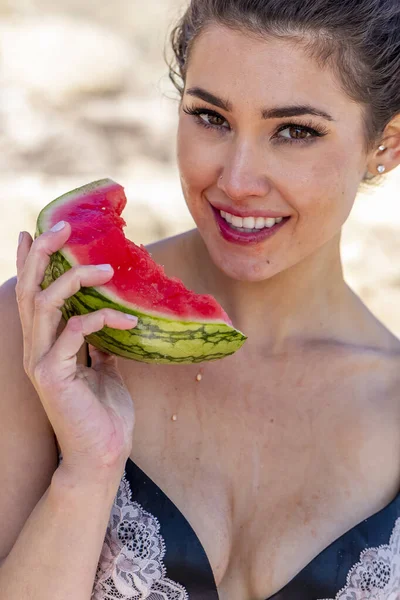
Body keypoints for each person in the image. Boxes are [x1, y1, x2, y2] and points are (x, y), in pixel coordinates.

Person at [0, 0, 400, 598]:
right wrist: (88, 473)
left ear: (386, 146)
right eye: (211, 117)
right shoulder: (45, 328)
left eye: (295, 131)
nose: (237, 180)